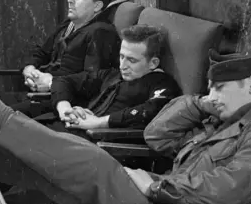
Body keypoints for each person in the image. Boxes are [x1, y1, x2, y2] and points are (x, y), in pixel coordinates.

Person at [0, 41, 251, 204]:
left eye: (218, 89)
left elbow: (226, 192)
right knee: (59, 172)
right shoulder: (225, 118)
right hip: (164, 200)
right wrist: (197, 104)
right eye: (209, 89)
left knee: (92, 163)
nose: (212, 97)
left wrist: (155, 186)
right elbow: (157, 137)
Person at [41, 24, 180, 138]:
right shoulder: (112, 75)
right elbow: (63, 81)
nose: (123, 65)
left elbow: (150, 110)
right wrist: (65, 109)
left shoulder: (162, 84)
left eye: (132, 60)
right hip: (70, 129)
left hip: (97, 144)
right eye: (121, 57)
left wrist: (99, 123)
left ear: (153, 63)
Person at [12, 0, 121, 117]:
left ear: (97, 6)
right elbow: (41, 52)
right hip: (39, 93)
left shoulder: (101, 32)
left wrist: (51, 82)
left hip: (66, 103)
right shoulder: (68, 24)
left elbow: (93, 80)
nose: (70, 0)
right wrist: (30, 70)